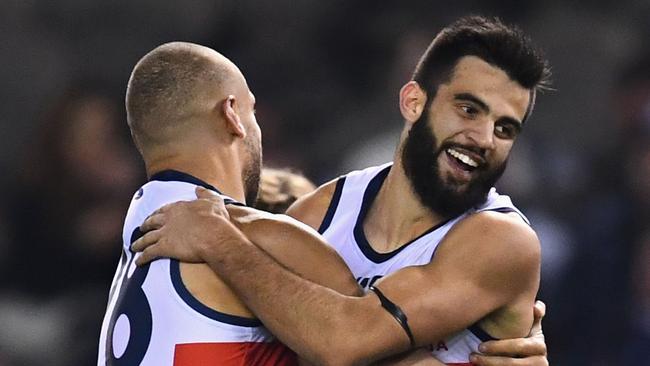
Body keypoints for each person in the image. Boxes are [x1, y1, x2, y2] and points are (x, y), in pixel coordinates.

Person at [133, 16, 550, 365]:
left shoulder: (501, 241)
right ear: (413, 102)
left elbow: (343, 343)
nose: (484, 138)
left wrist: (220, 240)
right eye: (468, 109)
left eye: (505, 128)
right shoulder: (323, 211)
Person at [97, 42, 368, 365]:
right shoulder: (263, 238)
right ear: (231, 115)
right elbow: (368, 341)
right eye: (250, 111)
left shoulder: (137, 233)